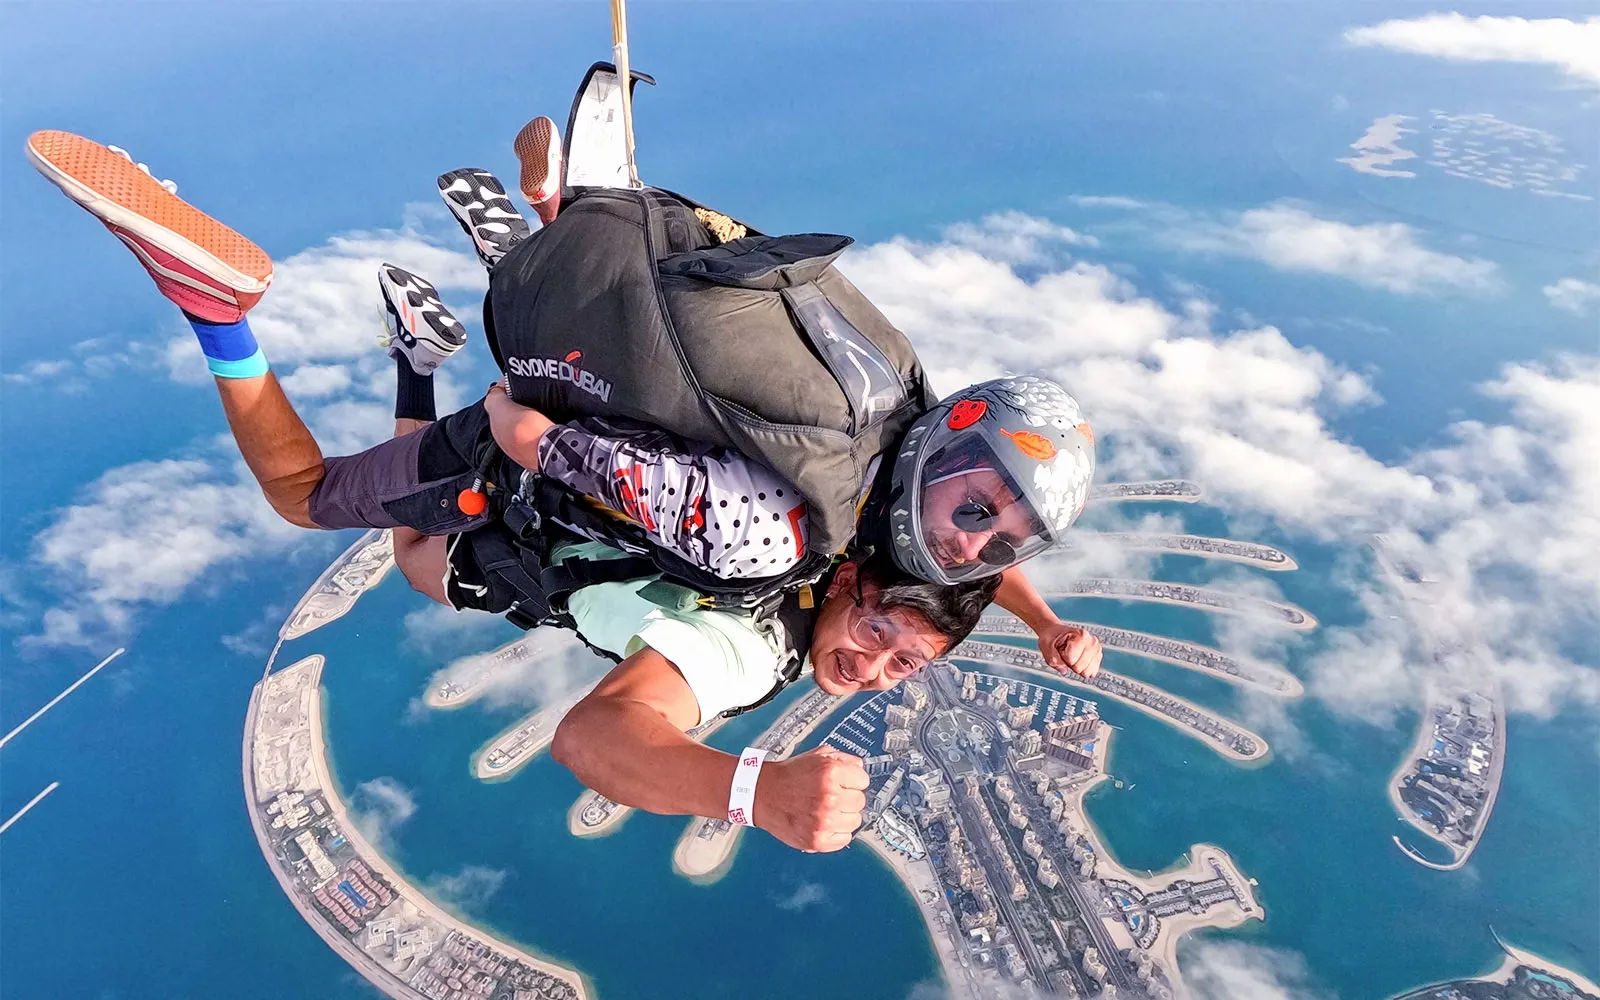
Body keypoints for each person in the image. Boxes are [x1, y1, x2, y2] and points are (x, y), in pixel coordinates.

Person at [24, 128, 1102, 852]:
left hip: (584, 429)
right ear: (859, 584)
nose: (871, 671)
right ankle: (217, 309)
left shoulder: (892, 460)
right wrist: (754, 792)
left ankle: (543, 246)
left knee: (419, 565)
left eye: (900, 667)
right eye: (882, 645)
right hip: (521, 467)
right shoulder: (754, 647)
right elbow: (595, 742)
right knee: (309, 500)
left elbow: (946, 572)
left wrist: (1042, 619)